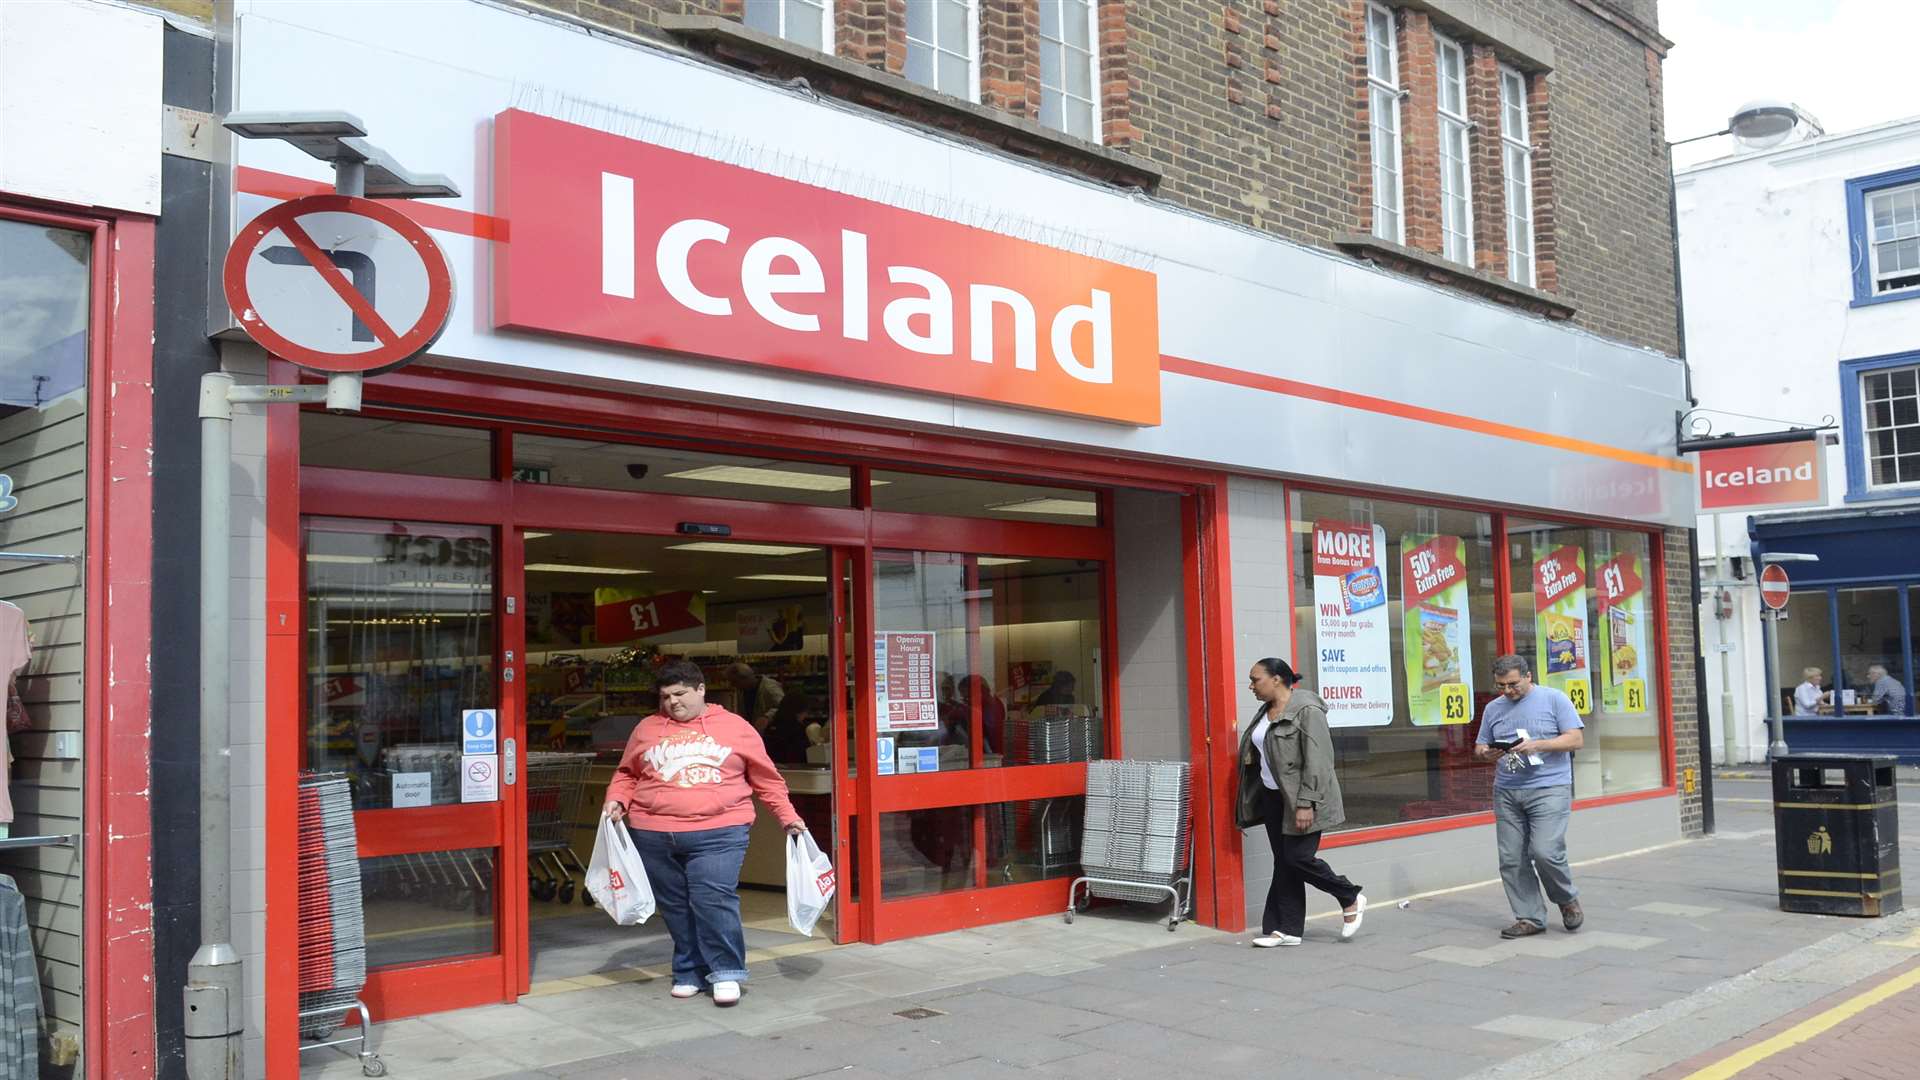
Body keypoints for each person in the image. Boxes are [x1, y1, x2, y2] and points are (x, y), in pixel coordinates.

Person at [603, 660, 805, 1007]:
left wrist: (788, 818)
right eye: (665, 697)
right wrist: (616, 799)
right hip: (653, 832)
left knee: (712, 899)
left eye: (680, 694)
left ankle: (726, 971)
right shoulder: (647, 728)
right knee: (676, 906)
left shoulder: (735, 727)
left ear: (701, 690)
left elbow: (765, 779)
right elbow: (627, 773)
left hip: (720, 830)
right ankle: (688, 970)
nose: (672, 702)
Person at [1234, 657, 1365, 947]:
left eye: (1256, 679)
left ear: (1277, 679)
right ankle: (1285, 930)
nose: (1251, 686)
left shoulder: (1307, 710)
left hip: (1303, 798)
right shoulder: (1265, 710)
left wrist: (1305, 802)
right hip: (1273, 797)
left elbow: (1319, 761)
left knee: (1297, 858)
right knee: (1283, 862)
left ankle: (1349, 895)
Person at [1473, 654, 1585, 939]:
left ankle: (1566, 899)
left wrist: (1539, 745)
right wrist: (1488, 753)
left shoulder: (1554, 699)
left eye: (1513, 684)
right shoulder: (1493, 708)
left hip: (1549, 787)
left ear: (1528, 676)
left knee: (1545, 852)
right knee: (1512, 858)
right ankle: (1530, 917)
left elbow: (1576, 739)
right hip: (1507, 789)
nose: (1508, 691)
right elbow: (1480, 747)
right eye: (1501, 686)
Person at [727, 661, 785, 732]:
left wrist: (766, 717)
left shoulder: (769, 687)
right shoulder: (742, 691)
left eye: (734, 682)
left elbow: (784, 706)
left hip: (771, 732)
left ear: (744, 678)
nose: (733, 685)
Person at [761, 693, 815, 765]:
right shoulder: (798, 730)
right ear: (799, 712)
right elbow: (802, 756)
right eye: (806, 712)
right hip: (793, 770)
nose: (806, 715)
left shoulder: (771, 726)